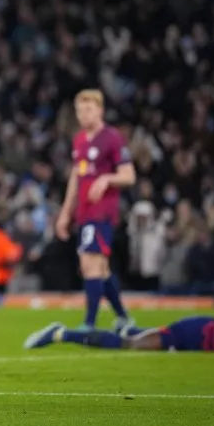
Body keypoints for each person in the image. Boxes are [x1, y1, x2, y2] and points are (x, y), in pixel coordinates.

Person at [54, 90, 135, 332]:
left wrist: (106, 179)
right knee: (101, 269)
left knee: (90, 265)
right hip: (84, 212)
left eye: (88, 109)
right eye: (79, 111)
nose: (83, 115)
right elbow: (76, 177)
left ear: (100, 110)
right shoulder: (79, 139)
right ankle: (123, 318)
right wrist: (65, 212)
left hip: (102, 212)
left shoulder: (112, 138)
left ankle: (89, 323)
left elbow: (129, 175)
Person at [24, 302, 214, 355]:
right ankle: (61, 333)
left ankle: (128, 327)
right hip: (196, 333)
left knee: (140, 337)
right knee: (132, 346)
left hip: (201, 333)